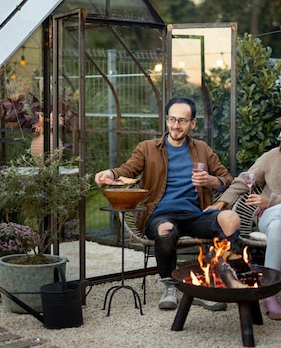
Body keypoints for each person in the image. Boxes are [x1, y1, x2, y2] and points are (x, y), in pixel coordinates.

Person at [95, 97, 241, 311]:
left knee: (231, 218)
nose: (175, 125)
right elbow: (128, 170)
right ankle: (169, 285)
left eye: (182, 120)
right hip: (159, 214)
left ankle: (211, 281)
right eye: (172, 119)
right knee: (166, 230)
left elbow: (227, 179)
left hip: (195, 215)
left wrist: (211, 181)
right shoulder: (147, 148)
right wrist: (111, 173)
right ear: (166, 120)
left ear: (193, 123)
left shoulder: (202, 149)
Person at [208, 109, 281, 320]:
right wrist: (222, 202)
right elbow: (243, 180)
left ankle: (270, 296)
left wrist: (272, 200)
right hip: (267, 216)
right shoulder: (273, 156)